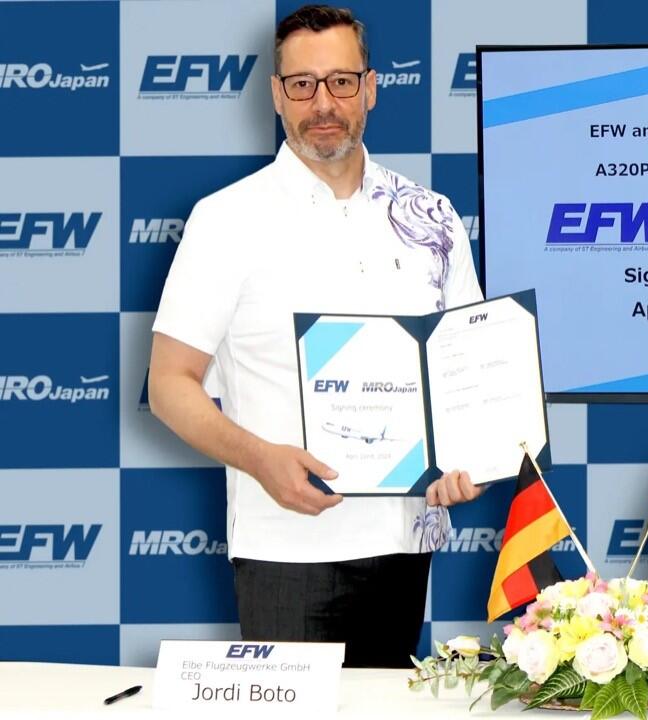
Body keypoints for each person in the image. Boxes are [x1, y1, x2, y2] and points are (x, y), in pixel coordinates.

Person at [148, 4, 484, 668]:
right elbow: (168, 384)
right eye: (302, 84)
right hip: (287, 547)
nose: (322, 103)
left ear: (371, 87)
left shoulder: (432, 216)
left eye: (341, 81)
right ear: (277, 95)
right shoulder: (225, 219)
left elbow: (466, 370)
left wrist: (469, 459)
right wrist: (259, 458)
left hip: (406, 543)